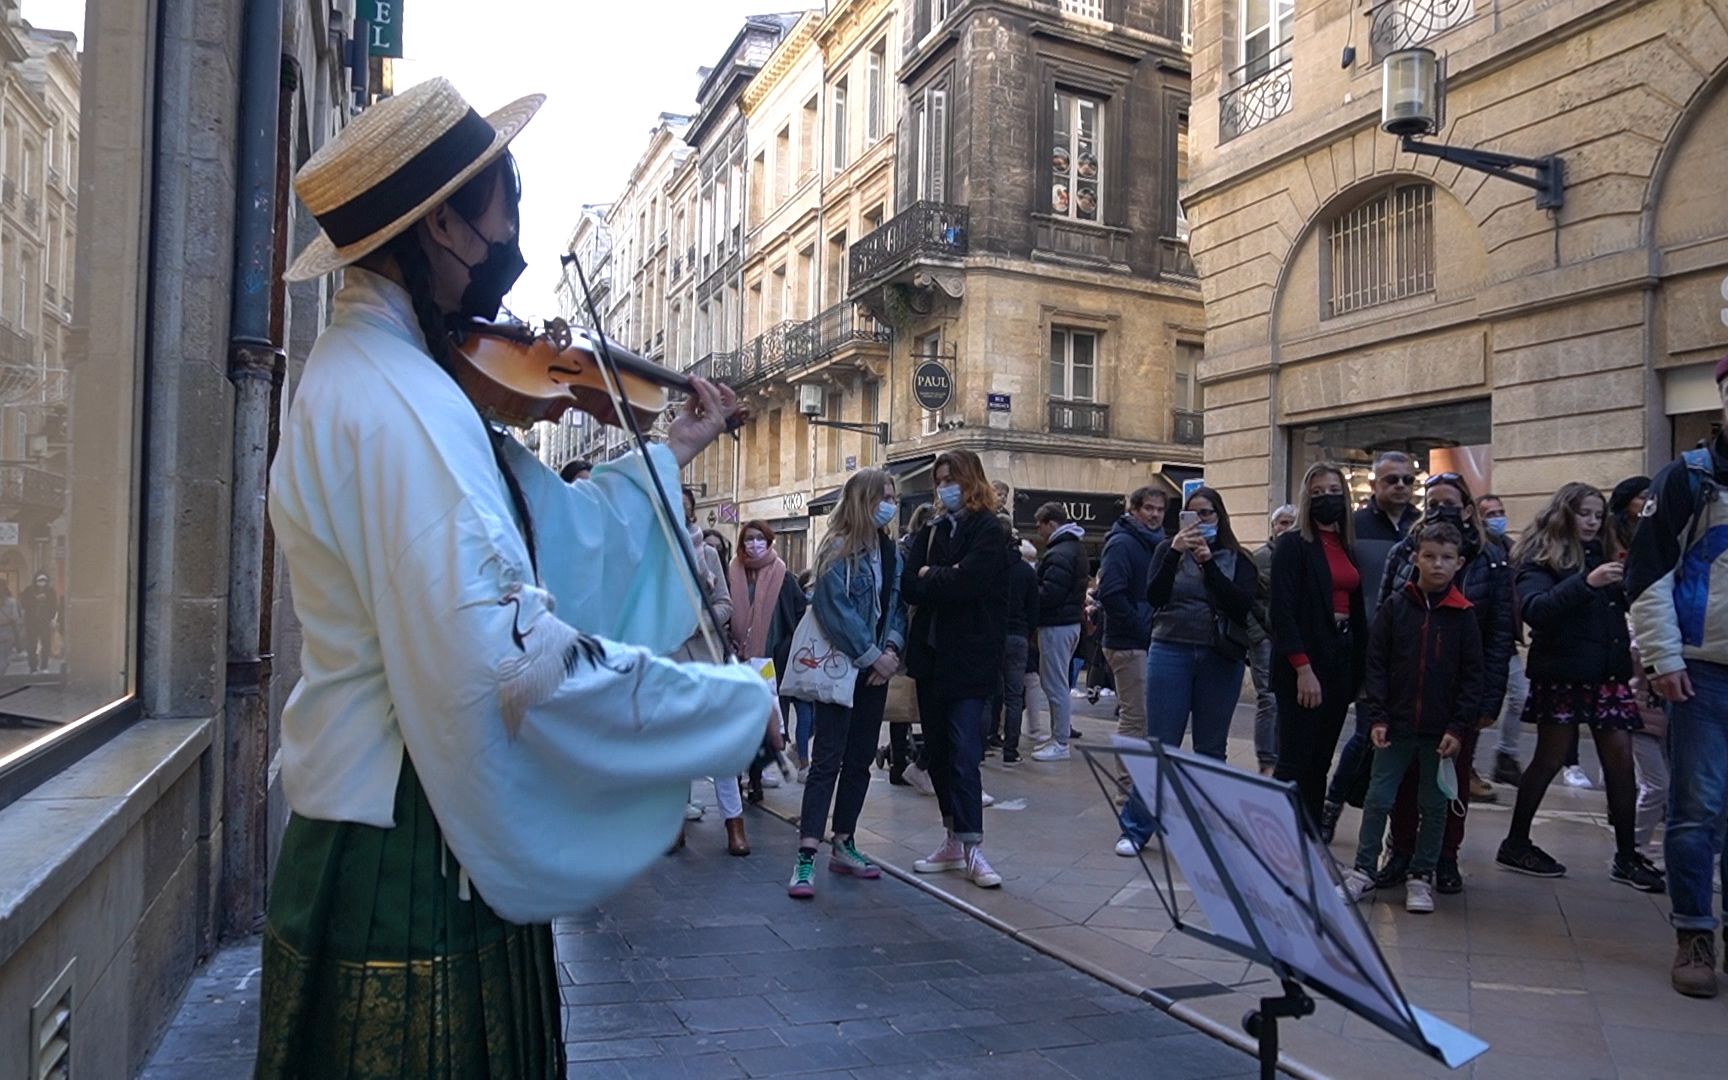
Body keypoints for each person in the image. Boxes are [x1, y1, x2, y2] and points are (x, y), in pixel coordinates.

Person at [257, 79, 773, 1078]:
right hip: (409, 842)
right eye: (509, 204)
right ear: (445, 223)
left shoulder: (382, 371)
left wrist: (671, 453)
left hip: (397, 824)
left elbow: (555, 537)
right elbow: (506, 654)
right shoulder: (402, 398)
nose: (515, 232)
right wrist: (725, 706)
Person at [1495, 483, 1664, 894]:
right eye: (1584, 513)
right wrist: (1587, 583)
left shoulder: (1602, 552)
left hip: (1606, 675)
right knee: (1549, 758)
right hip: (1564, 674)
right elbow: (1536, 610)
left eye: (1597, 514)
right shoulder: (1540, 558)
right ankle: (1516, 841)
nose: (1592, 521)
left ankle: (1626, 854)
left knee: (1621, 763)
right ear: (1564, 515)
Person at [1627, 360, 1728, 996]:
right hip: (1702, 675)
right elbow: (1647, 575)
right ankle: (1695, 933)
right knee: (1697, 810)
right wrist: (1664, 658)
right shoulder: (1688, 479)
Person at [1368, 474, 1514, 895]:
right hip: (1406, 692)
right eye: (1433, 503)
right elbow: (1384, 620)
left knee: (1452, 779)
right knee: (1405, 781)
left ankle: (1445, 857)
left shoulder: (1489, 558)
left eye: (1450, 502)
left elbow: (1500, 631)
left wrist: (1490, 696)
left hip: (1458, 695)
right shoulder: (1404, 553)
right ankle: (1401, 852)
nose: (1441, 509)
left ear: (1467, 507)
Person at [1338, 522, 1483, 914]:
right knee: (1378, 798)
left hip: (1440, 732)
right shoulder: (1395, 608)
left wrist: (1458, 726)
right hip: (1395, 726)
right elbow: (1377, 665)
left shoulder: (1464, 615)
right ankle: (1364, 869)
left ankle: (1422, 875)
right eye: (1430, 556)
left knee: (1434, 805)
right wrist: (1378, 716)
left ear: (1459, 563)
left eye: (1447, 558)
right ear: (1415, 557)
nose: (1438, 564)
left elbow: (1473, 677)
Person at [1116, 487, 1257, 856]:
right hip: (1170, 649)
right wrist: (1176, 552)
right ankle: (1136, 827)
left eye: (1207, 514)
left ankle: (1208, 831)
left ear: (1219, 517)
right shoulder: (1167, 551)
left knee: (1211, 748)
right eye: (1191, 516)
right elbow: (1155, 595)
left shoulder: (1237, 558)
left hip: (1219, 655)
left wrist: (1208, 563)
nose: (1200, 522)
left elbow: (1241, 605)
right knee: (1161, 744)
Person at [787, 469, 906, 899]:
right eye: (883, 496)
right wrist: (872, 655)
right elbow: (833, 608)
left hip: (875, 673)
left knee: (859, 761)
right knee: (827, 761)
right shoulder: (837, 549)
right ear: (862, 500)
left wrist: (891, 650)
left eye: (892, 496)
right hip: (844, 668)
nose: (890, 504)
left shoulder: (891, 552)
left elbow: (897, 606)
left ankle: (845, 841)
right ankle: (805, 856)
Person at [902, 450, 1013, 888]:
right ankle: (952, 838)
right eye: (939, 481)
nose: (944, 488)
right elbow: (911, 584)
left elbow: (972, 583)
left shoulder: (990, 530)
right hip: (931, 658)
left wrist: (937, 577)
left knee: (966, 753)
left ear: (970, 481)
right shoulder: (930, 529)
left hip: (971, 658)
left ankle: (973, 847)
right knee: (942, 756)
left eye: (951, 479)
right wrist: (939, 576)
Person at [1319, 451, 1421, 835]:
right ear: (1375, 483)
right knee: (1366, 735)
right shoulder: (1354, 526)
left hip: (1413, 650)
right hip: (1367, 648)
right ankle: (1332, 804)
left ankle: (1399, 828)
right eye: (1391, 480)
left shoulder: (1421, 526)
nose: (1400, 487)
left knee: (1404, 741)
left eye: (1407, 480)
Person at [1271, 463, 1368, 829]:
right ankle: (1276, 837)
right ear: (1306, 500)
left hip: (1340, 660)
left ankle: (1307, 838)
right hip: (1304, 663)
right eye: (1318, 493)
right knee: (1295, 759)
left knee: (1321, 761)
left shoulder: (1347, 545)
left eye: (1333, 491)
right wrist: (1303, 668)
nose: (1327, 498)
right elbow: (1282, 612)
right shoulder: (1292, 545)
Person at [671, 487, 746, 856]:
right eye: (676, 506)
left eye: (687, 508)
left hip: (705, 655)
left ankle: (734, 823)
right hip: (670, 660)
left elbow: (725, 604)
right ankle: (673, 825)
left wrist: (699, 621)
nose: (683, 513)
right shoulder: (655, 556)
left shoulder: (709, 553)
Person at [728, 519, 806, 802]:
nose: (754, 543)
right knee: (736, 722)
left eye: (760, 538)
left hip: (769, 660)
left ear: (769, 540)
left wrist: (788, 645)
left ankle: (756, 778)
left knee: (763, 722)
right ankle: (735, 777)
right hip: (736, 658)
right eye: (749, 538)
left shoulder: (782, 573)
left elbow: (798, 611)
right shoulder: (734, 571)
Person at [1097, 486, 1167, 762]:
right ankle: (1126, 792)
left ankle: (1136, 788)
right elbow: (1111, 592)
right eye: (1149, 508)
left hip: (1143, 639)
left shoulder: (1154, 542)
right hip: (1129, 643)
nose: (1155, 515)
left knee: (1143, 719)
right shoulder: (1122, 542)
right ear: (1134, 510)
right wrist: (1141, 627)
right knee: (1135, 719)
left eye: (1160, 509)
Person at [882, 502, 937, 788]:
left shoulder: (903, 548)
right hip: (911, 631)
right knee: (906, 699)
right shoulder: (913, 552)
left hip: (905, 631)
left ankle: (898, 760)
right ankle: (907, 762)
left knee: (901, 702)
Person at [1477, 493, 1530, 787]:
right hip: (1485, 639)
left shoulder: (1511, 548)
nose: (1498, 517)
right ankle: (1469, 765)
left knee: (1521, 696)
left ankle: (1506, 756)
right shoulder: (1478, 549)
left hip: (1505, 639)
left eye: (1500, 511)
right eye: (1490, 513)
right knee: (1479, 706)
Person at [1031, 502, 1090, 761]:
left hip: (1057, 624)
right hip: (1067, 622)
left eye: (1039, 525)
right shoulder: (1072, 548)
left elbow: (1050, 593)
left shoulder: (1059, 553)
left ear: (1051, 523)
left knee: (1054, 684)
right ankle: (1059, 737)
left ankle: (1060, 741)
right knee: (1057, 683)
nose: (1038, 530)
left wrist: (1030, 594)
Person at [1249, 505, 1298, 775]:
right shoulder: (1259, 558)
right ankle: (1267, 759)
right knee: (1269, 698)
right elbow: (1248, 600)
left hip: (1293, 638)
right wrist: (1258, 636)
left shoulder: (1304, 556)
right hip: (1266, 638)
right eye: (1282, 522)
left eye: (1292, 522)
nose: (1286, 527)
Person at [993, 524, 1039, 767]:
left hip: (991, 635)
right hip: (1018, 636)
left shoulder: (989, 569)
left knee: (987, 693)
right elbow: (1034, 609)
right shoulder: (1026, 571)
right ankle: (1011, 750)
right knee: (1014, 695)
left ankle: (983, 744)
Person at [789, 569, 817, 781]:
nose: (812, 592)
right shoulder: (798, 609)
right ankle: (804, 764)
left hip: (817, 664)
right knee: (805, 716)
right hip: (799, 664)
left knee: (815, 719)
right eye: (809, 588)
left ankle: (798, 749)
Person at [21, 572, 56, 674]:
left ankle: (44, 666)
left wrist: (51, 618)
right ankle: (33, 667)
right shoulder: (29, 591)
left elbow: (54, 605)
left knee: (46, 644)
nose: (42, 582)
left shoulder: (50, 592)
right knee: (32, 645)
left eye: (44, 580)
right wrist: (35, 599)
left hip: (45, 622)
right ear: (35, 581)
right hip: (31, 622)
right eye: (40, 580)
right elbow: (24, 604)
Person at [0, 581, 20, 673]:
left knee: (3, 657)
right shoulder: (12, 602)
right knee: (4, 657)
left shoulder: (12, 602)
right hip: (8, 631)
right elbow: (15, 617)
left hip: (6, 631)